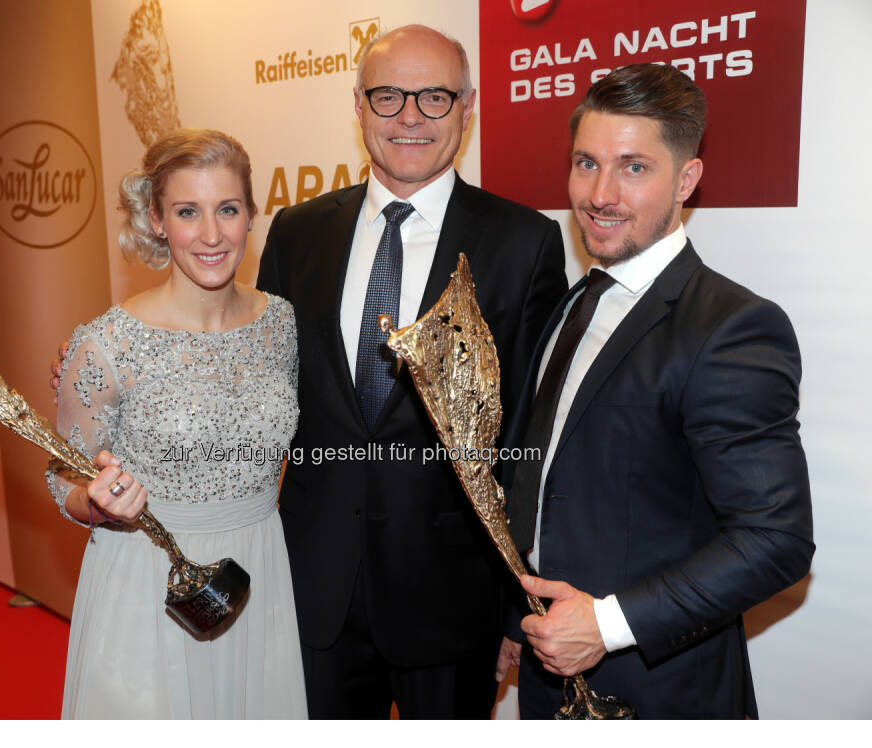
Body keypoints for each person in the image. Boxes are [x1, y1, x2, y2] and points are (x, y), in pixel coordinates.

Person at [255, 25, 567, 718]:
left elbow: (529, 436)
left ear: (468, 107)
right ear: (358, 106)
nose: (410, 117)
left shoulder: (524, 243)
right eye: (389, 95)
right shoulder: (296, 232)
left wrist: (518, 598)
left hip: (453, 597)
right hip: (316, 588)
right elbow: (261, 387)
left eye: (434, 97)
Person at [499, 64, 815, 719]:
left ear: (687, 179)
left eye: (633, 167)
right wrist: (514, 619)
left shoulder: (731, 326)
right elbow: (544, 479)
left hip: (662, 692)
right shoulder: (572, 303)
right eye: (585, 163)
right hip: (546, 671)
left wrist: (608, 626)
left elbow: (775, 539)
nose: (600, 193)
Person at [47, 129, 307, 719]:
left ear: (250, 215)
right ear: (158, 221)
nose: (212, 235)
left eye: (228, 210)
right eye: (188, 212)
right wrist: (94, 502)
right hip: (148, 579)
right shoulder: (106, 342)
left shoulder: (282, 324)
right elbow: (60, 476)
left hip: (260, 572)